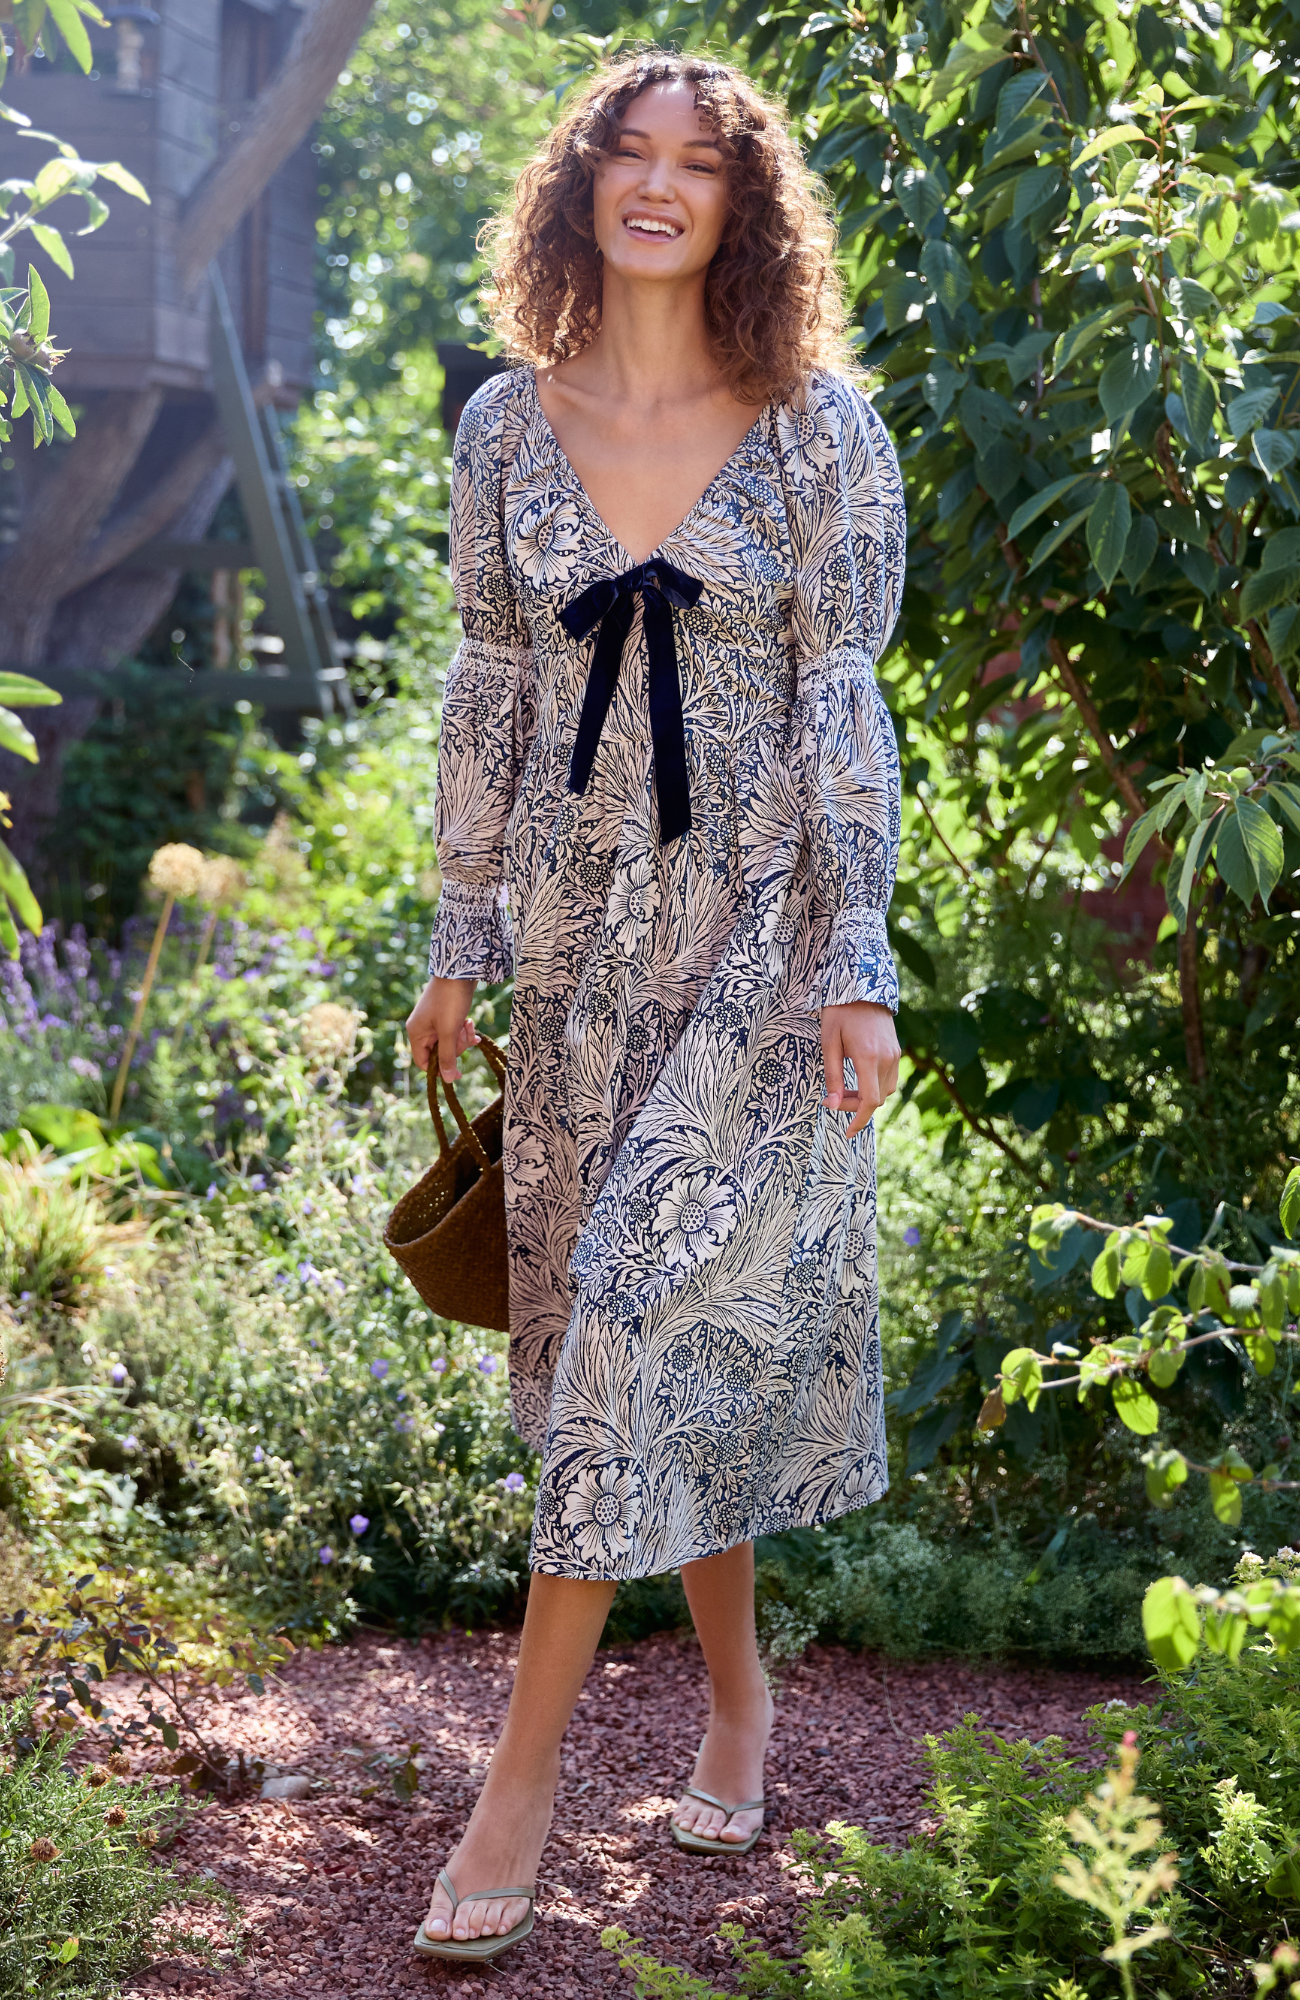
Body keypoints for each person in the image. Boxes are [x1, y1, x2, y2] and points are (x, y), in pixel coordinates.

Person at [404, 45, 905, 1963]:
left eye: (700, 162)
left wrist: (856, 965)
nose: (659, 182)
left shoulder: (818, 432)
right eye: (628, 149)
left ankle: (518, 1783)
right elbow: (489, 693)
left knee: (625, 1307)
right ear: (581, 184)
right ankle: (740, 1705)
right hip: (582, 953)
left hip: (763, 946)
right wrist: (460, 941)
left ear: (741, 206)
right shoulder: (504, 431)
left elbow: (842, 704)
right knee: (649, 1337)